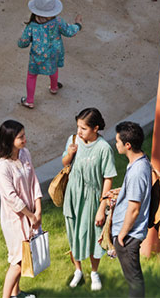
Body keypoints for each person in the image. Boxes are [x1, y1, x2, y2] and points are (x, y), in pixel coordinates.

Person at [61, 108, 117, 291]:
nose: (79, 131)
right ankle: (78, 270)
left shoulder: (104, 149)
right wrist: (70, 153)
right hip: (73, 195)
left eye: (83, 128)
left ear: (96, 128)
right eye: (78, 126)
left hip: (93, 198)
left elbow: (108, 178)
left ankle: (94, 272)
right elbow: (65, 162)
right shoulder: (74, 140)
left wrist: (102, 207)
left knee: (94, 236)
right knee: (73, 233)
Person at [0, 119, 43, 298]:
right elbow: (11, 197)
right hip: (15, 219)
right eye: (20, 137)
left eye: (24, 135)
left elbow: (34, 181)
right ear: (9, 140)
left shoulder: (25, 154)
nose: (25, 139)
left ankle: (16, 293)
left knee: (24, 255)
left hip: (30, 214)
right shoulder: (3, 168)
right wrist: (30, 215)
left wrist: (38, 210)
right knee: (19, 260)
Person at [107, 121, 152, 297]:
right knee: (133, 279)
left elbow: (134, 208)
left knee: (134, 281)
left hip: (128, 237)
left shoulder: (137, 171)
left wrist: (121, 236)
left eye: (118, 141)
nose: (115, 144)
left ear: (127, 145)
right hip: (127, 235)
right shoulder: (138, 163)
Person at [17, 0, 82, 109]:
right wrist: (78, 24)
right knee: (54, 68)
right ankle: (54, 87)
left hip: (37, 57)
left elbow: (23, 43)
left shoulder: (32, 26)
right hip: (54, 53)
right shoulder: (57, 21)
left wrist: (19, 42)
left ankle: (29, 100)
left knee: (31, 76)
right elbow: (69, 32)